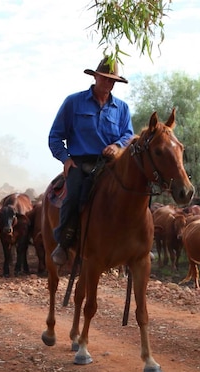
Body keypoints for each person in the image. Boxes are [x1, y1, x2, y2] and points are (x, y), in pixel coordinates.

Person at [47, 57, 135, 266]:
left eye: (112, 80)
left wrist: (117, 146)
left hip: (111, 163)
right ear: (95, 77)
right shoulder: (73, 102)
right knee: (74, 195)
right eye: (105, 78)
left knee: (137, 189)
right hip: (81, 163)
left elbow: (129, 134)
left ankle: (137, 242)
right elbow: (55, 136)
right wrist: (65, 159)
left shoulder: (121, 108)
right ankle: (65, 242)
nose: (108, 83)